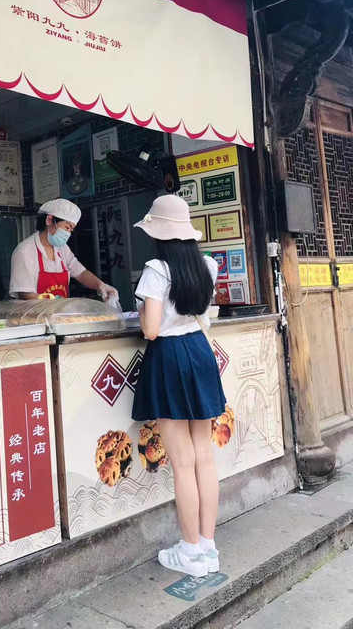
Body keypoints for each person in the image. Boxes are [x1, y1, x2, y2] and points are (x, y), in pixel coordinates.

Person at [132, 194, 225, 578]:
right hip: (199, 352)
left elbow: (151, 330)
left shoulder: (156, 269)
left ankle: (189, 551)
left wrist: (141, 309)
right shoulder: (206, 265)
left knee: (183, 462)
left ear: (159, 234)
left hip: (169, 357)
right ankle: (207, 546)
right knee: (204, 456)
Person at [9, 198, 118, 302]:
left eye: (71, 230)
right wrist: (52, 301)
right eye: (67, 227)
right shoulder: (25, 251)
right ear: (49, 220)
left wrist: (101, 286)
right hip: (36, 314)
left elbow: (80, 273)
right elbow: (24, 293)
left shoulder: (62, 248)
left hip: (60, 313)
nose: (68, 233)